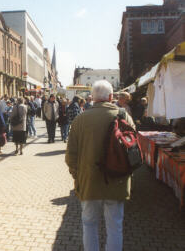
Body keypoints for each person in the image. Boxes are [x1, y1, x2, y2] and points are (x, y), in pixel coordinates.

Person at [65, 80, 135, 251]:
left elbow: (70, 156)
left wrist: (78, 174)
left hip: (89, 181)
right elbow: (134, 150)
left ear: (93, 98)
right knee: (115, 227)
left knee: (89, 224)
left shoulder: (80, 119)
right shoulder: (124, 116)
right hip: (117, 180)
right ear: (111, 97)